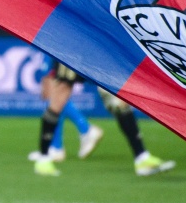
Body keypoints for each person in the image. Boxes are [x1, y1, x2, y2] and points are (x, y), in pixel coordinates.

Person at [31, 59, 176, 178]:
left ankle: (142, 158)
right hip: (74, 44)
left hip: (97, 46)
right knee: (60, 96)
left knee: (118, 99)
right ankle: (44, 158)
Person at [27, 51, 104, 170]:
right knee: (57, 95)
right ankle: (79, 132)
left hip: (59, 49)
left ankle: (60, 145)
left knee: (55, 94)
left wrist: (46, 74)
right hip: (58, 49)